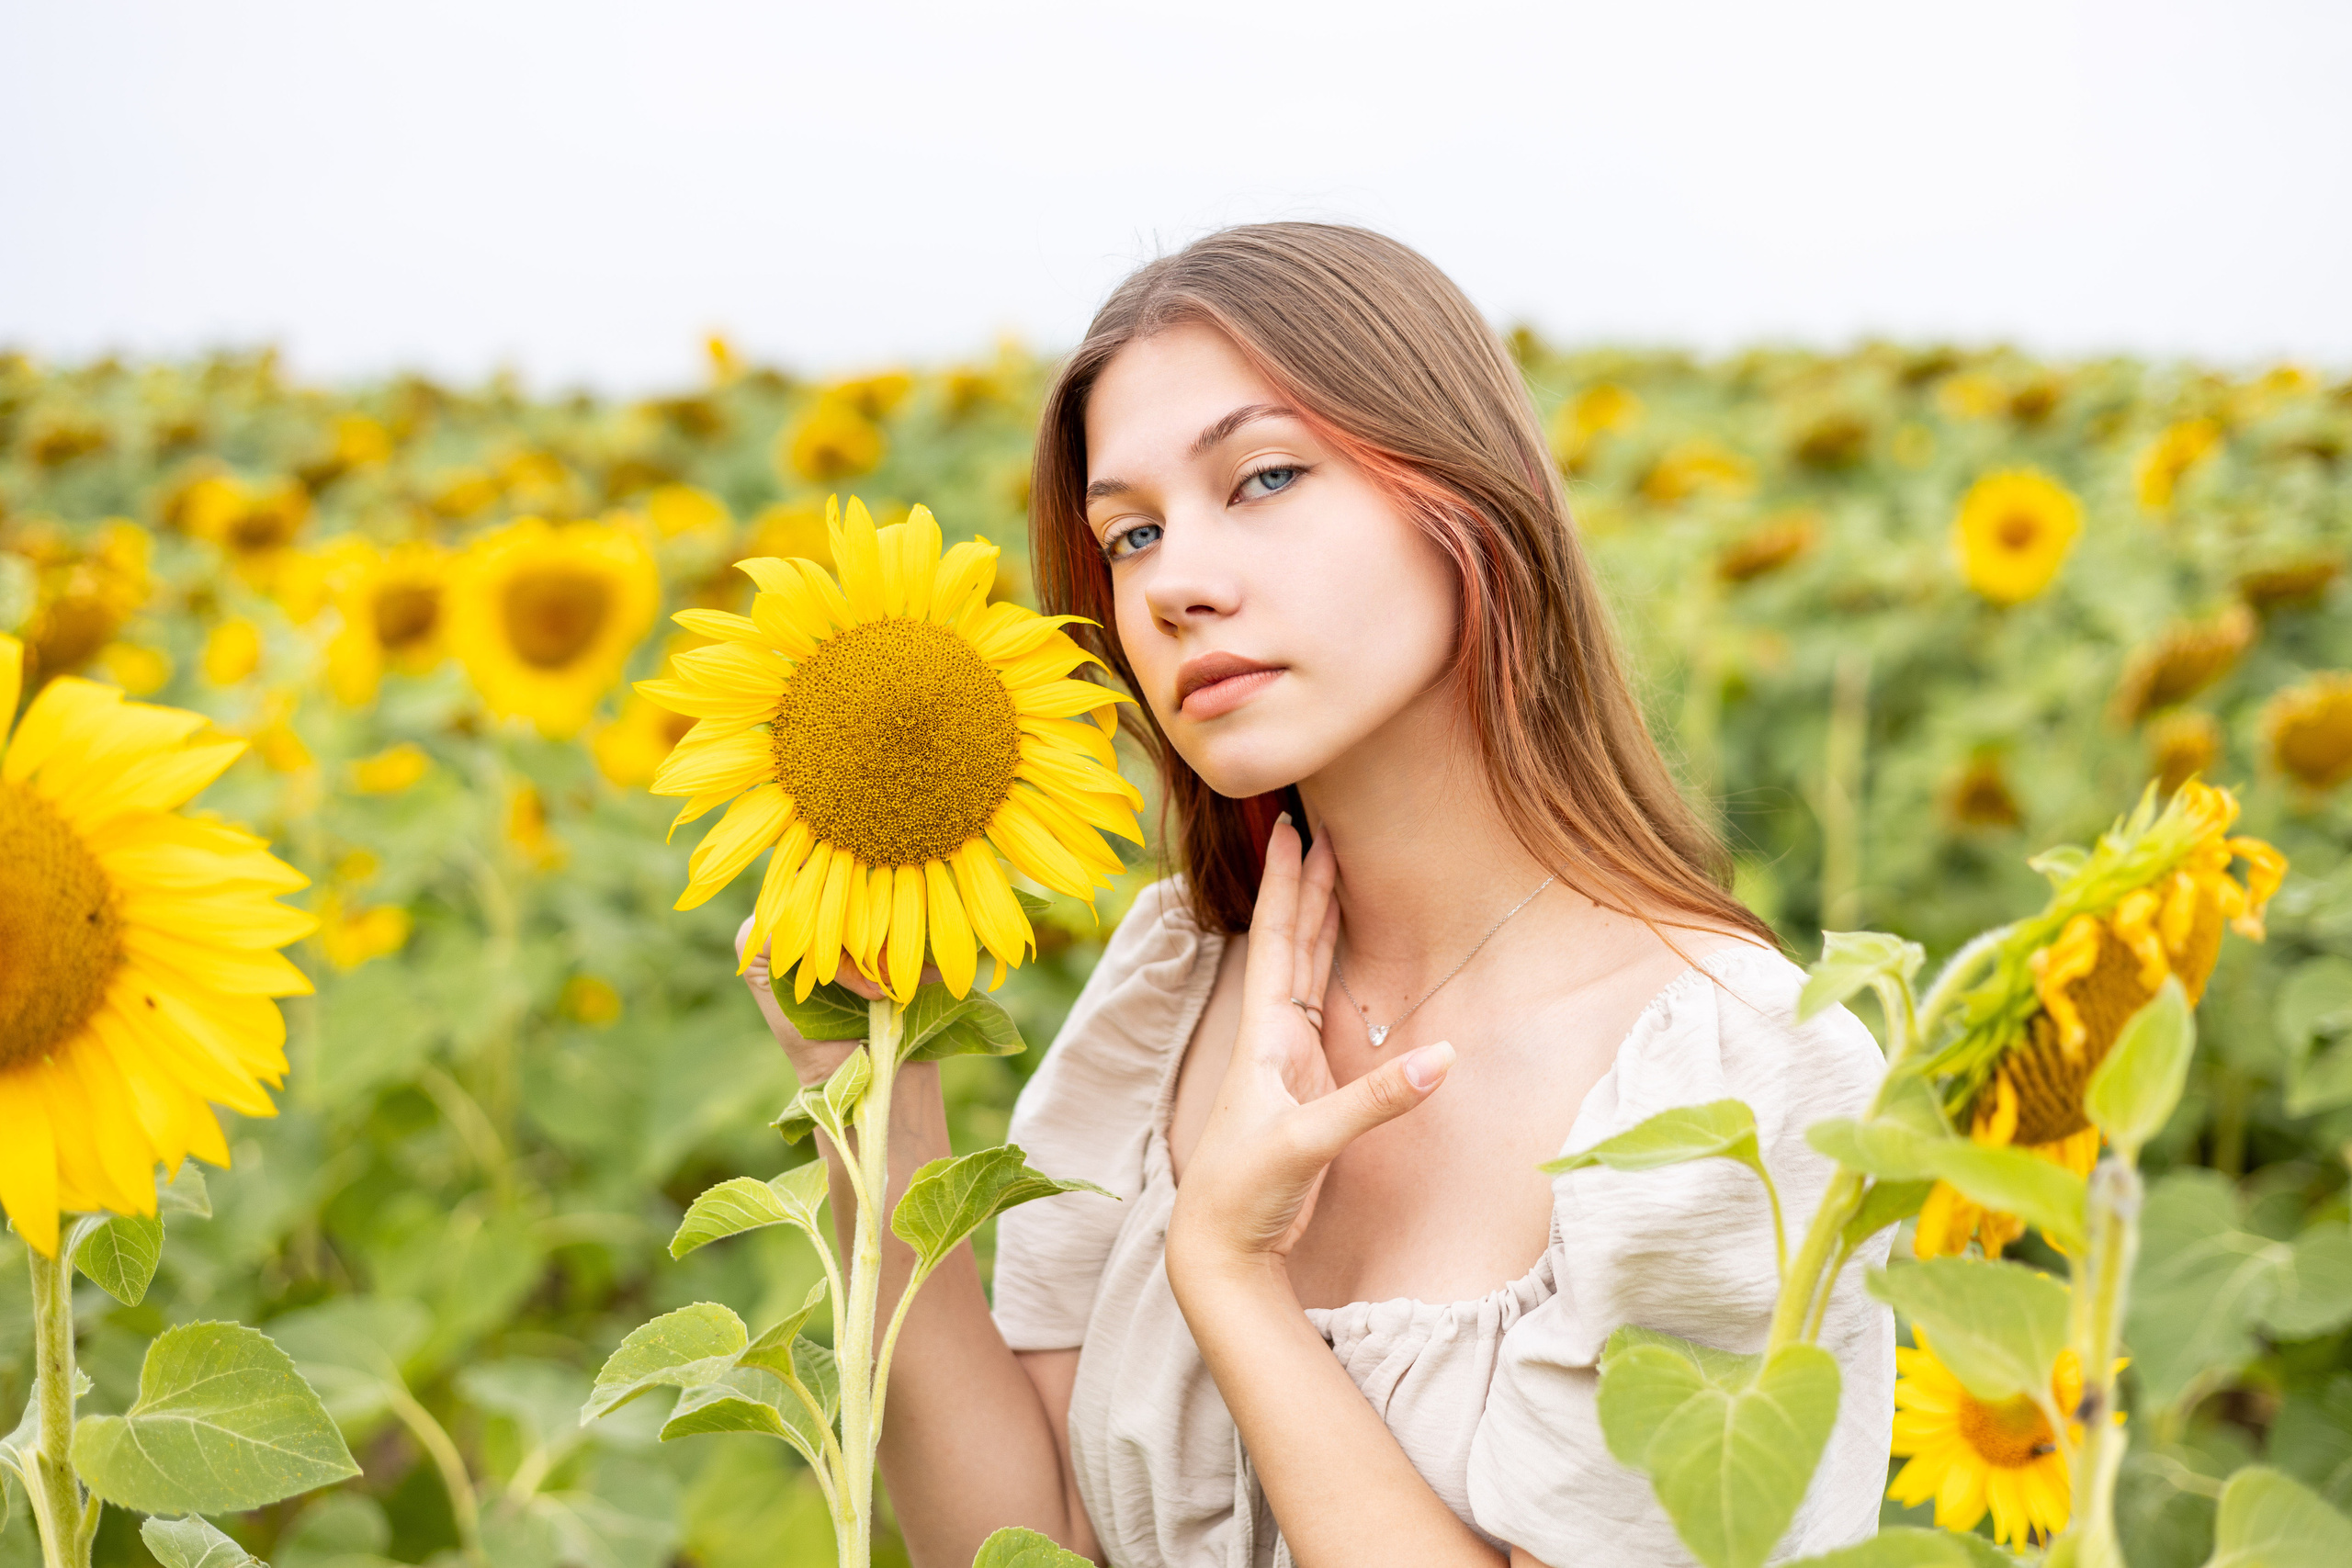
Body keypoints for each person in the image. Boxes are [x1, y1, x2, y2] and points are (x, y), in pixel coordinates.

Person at [741, 222, 1894, 1568]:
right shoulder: (1173, 982)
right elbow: (1026, 1540)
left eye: (1267, 477)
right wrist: (880, 1120)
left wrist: (1230, 1274)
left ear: (1465, 494)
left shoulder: (1737, 1076)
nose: (1174, 584)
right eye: (1130, 536)